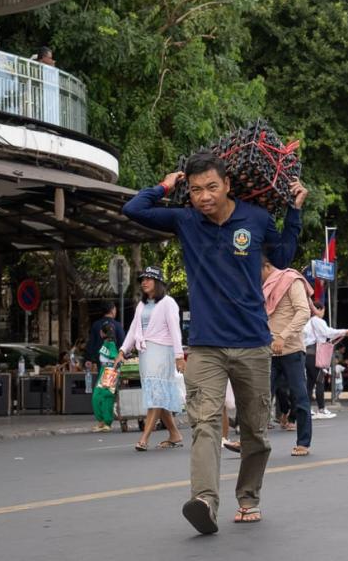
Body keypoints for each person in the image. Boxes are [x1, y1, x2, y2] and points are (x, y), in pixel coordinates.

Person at [122, 151, 307, 533]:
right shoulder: (185, 220)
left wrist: (294, 212)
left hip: (254, 343)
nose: (203, 196)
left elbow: (285, 254)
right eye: (195, 190)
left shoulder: (255, 219)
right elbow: (134, 208)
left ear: (227, 185)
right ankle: (204, 499)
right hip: (205, 347)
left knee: (255, 430)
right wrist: (165, 185)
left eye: (211, 187)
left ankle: (248, 497)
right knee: (204, 423)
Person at [114, 266, 185, 451]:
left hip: (162, 351)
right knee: (157, 394)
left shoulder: (168, 303)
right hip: (146, 353)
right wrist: (122, 351)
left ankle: (144, 438)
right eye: (142, 279)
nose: (144, 282)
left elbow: (175, 331)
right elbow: (133, 330)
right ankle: (175, 434)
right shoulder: (142, 305)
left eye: (149, 279)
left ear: (158, 282)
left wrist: (179, 356)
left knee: (155, 394)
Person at [262, 257, 314, 456]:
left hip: (291, 350)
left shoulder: (292, 280)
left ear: (267, 265)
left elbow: (303, 312)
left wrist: (283, 337)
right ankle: (250, 441)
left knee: (299, 396)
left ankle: (303, 442)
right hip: (267, 350)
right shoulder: (263, 287)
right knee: (260, 397)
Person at [303, 303, 348, 418]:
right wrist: (344, 331)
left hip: (307, 353)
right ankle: (321, 409)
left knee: (310, 383)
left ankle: (308, 408)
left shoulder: (307, 322)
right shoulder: (317, 320)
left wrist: (342, 332)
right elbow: (328, 332)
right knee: (319, 381)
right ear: (319, 309)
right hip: (316, 353)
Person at [91, 323, 119, 432]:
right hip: (108, 371)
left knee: (101, 396)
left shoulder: (109, 344)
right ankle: (104, 422)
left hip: (109, 371)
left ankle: (104, 422)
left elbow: (114, 358)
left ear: (102, 333)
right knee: (103, 396)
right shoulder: (108, 343)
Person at [85, 302, 126, 376]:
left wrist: (89, 358)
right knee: (112, 382)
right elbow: (123, 343)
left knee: (101, 380)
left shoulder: (96, 325)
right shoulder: (118, 325)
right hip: (115, 360)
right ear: (112, 310)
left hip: (99, 361)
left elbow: (91, 343)